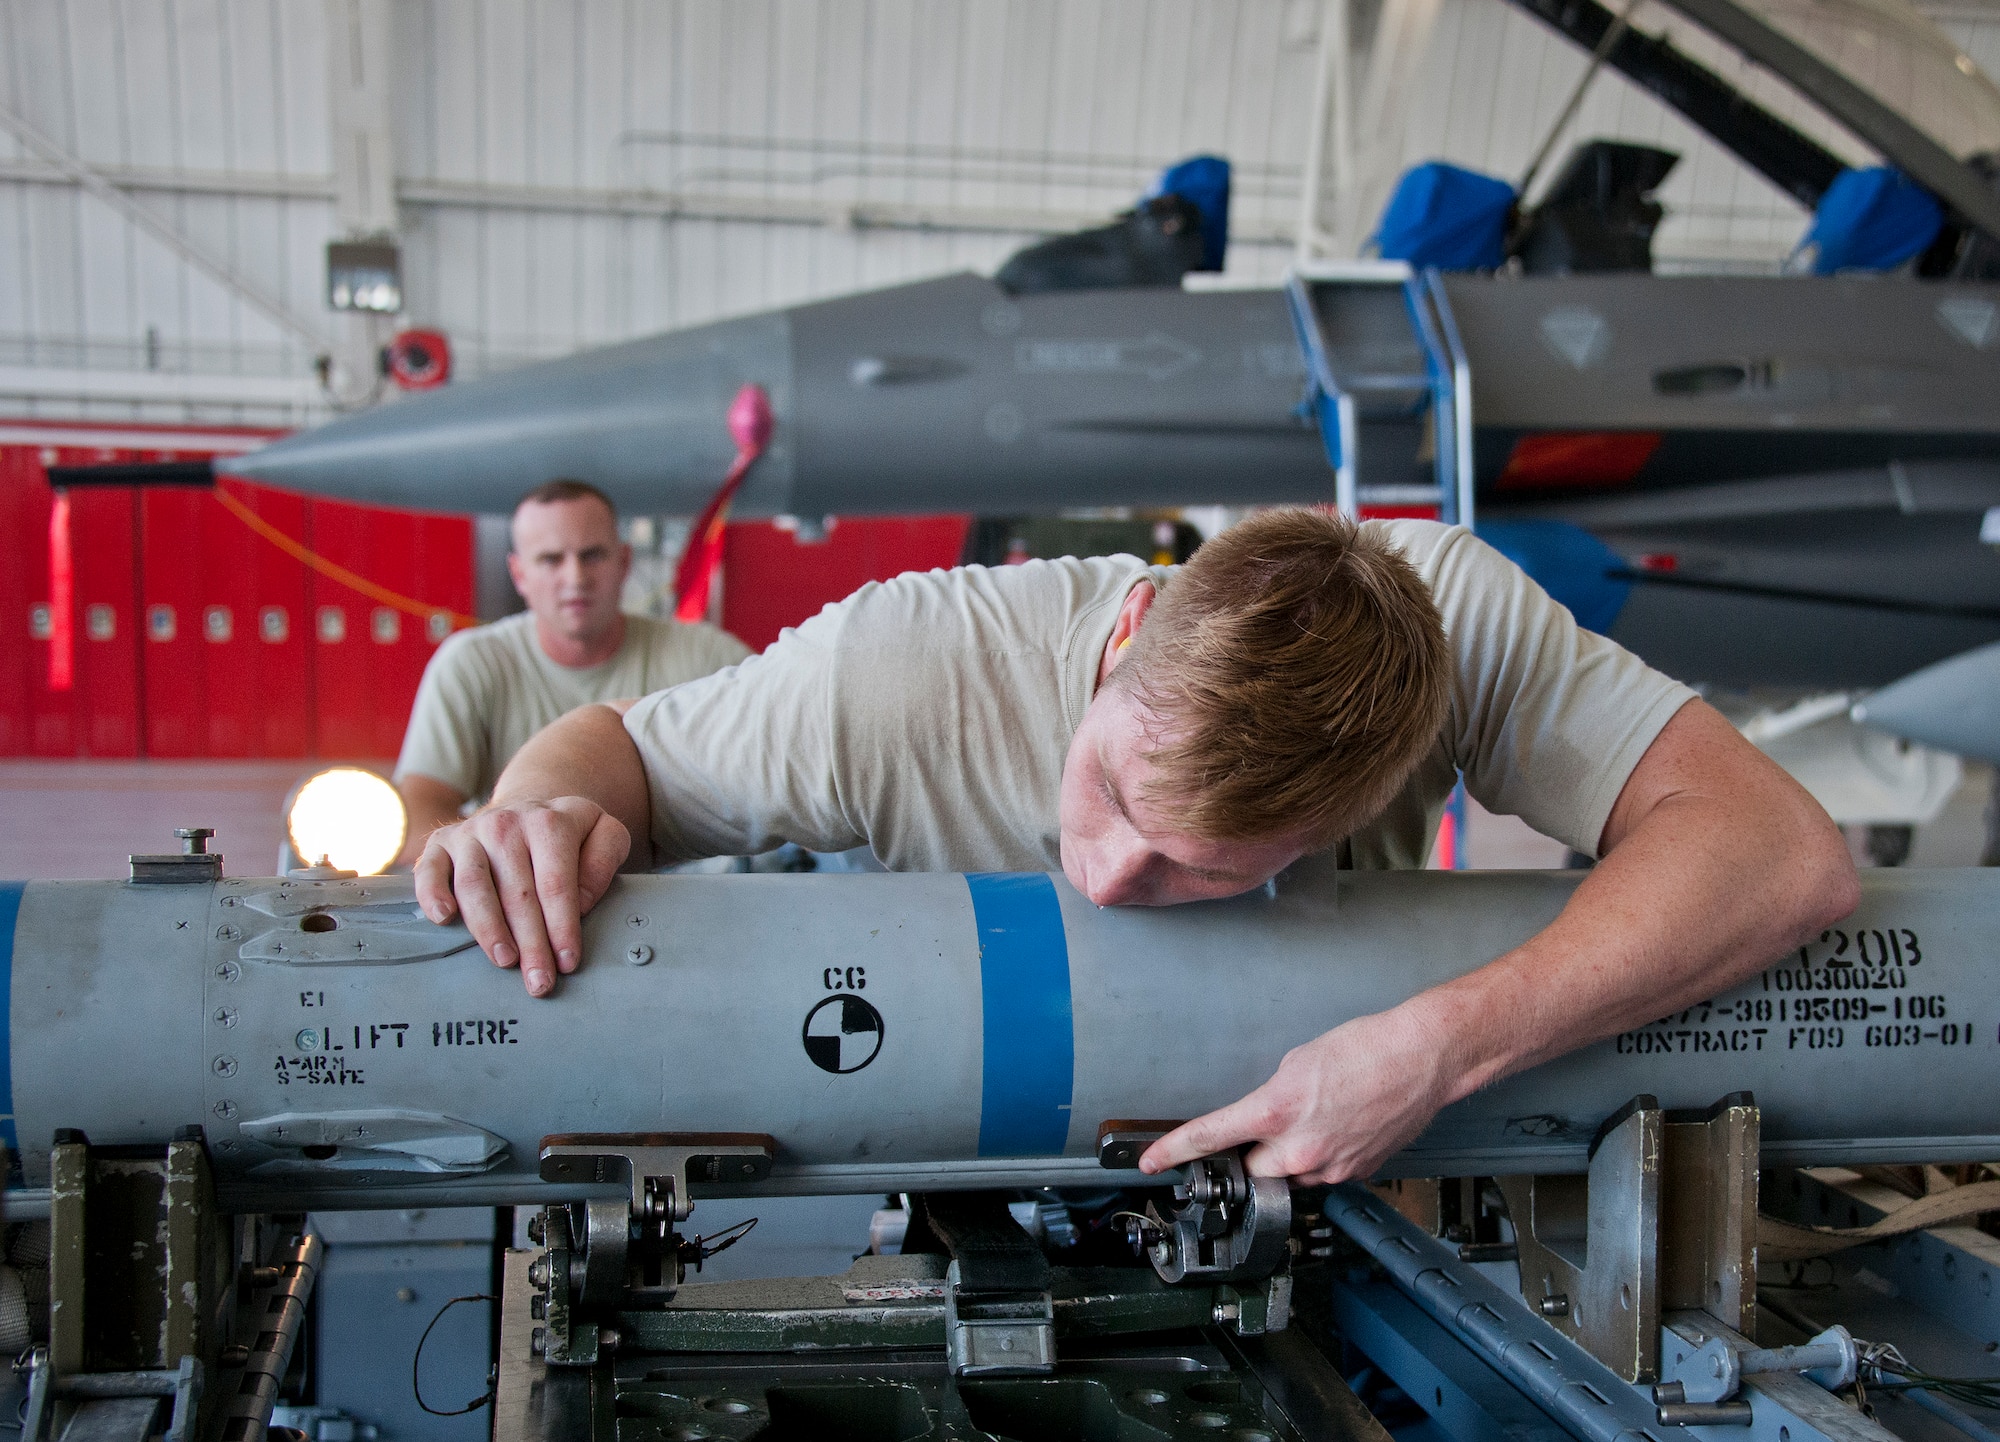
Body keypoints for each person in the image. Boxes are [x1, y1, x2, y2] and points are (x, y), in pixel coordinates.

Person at [413, 508, 1858, 1186]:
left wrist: (1438, 1045)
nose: (1108, 875)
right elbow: (620, 749)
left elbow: (1783, 854)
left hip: (1346, 1169)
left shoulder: (1451, 621)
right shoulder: (902, 668)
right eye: (1108, 788)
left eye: (1202, 867)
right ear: (1125, 641)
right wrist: (533, 799)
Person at [394, 479, 750, 859]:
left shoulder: (711, 659)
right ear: (519, 574)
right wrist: (494, 869)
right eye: (551, 559)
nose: (576, 578)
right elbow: (418, 812)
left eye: (592, 555)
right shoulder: (471, 664)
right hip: (526, 902)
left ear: (624, 562)